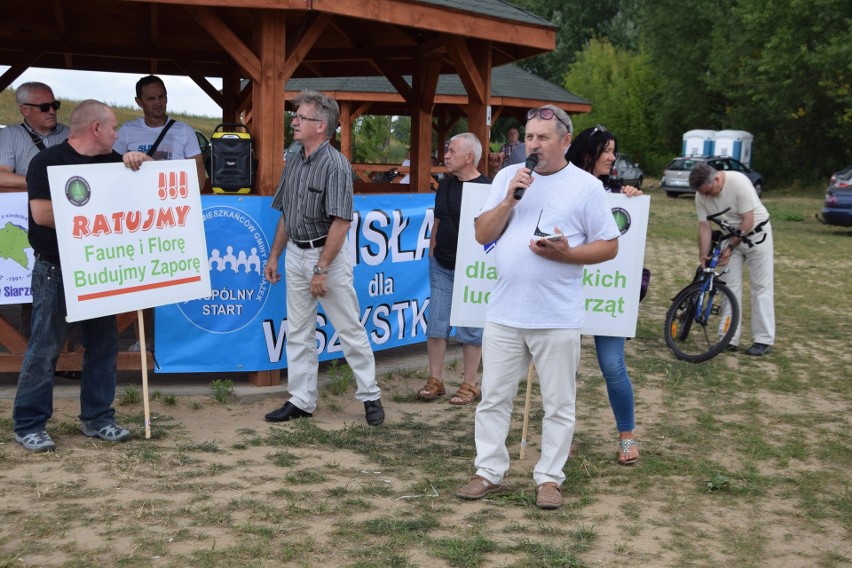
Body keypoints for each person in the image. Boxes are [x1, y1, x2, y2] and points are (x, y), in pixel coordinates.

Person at [455, 105, 620, 509]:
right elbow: (482, 233)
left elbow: (610, 245)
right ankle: (488, 471)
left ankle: (549, 478)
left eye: (542, 138)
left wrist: (568, 254)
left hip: (556, 316)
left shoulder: (585, 187)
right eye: (529, 137)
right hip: (505, 313)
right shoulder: (509, 179)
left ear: (565, 141)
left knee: (559, 403)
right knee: (493, 398)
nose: (533, 144)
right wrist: (510, 201)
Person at [12, 100, 152, 452]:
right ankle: (29, 423)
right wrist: (98, 221)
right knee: (45, 349)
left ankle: (98, 418)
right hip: (56, 269)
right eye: (113, 128)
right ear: (95, 129)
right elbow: (42, 215)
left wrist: (143, 163)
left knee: (103, 347)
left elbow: (151, 190)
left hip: (100, 269)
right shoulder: (47, 162)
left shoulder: (112, 162)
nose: (117, 135)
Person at [262, 90, 384, 426]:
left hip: (324, 256)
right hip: (297, 253)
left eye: (301, 117)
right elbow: (287, 212)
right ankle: (301, 400)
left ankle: (370, 396)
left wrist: (321, 268)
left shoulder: (336, 165)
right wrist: (275, 255)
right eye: (295, 115)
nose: (294, 121)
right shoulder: (294, 158)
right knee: (298, 332)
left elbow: (342, 222)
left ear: (321, 125)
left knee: (348, 328)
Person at [565, 125, 642, 465]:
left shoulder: (616, 193)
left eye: (613, 150)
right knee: (562, 370)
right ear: (587, 153)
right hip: (565, 294)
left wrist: (633, 201)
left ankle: (627, 435)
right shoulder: (562, 186)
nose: (613, 157)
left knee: (613, 366)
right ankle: (560, 437)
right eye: (607, 150)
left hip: (606, 296)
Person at [416, 133, 490, 405]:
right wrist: (432, 251)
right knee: (436, 323)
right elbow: (438, 220)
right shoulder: (445, 184)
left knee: (471, 328)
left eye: (452, 151)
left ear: (469, 157)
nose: (445, 155)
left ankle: (469, 384)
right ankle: (436, 380)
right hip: (442, 265)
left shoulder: (487, 188)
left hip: (473, 270)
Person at [0, 82, 71, 343]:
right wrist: (42, 183)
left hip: (68, 224)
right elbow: (1, 177)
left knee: (73, 290)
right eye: (44, 106)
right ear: (24, 110)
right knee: (33, 293)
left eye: (55, 105)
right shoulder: (10, 136)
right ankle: (31, 351)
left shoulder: (70, 134)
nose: (52, 110)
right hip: (28, 225)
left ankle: (69, 356)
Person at [689, 163, 774, 356]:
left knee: (761, 287)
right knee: (729, 287)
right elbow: (704, 226)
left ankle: (763, 339)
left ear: (717, 179)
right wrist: (703, 254)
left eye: (709, 191)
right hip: (731, 238)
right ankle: (729, 337)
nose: (707, 196)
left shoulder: (738, 182)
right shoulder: (701, 194)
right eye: (703, 193)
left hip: (757, 235)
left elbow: (748, 221)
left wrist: (730, 248)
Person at [113, 75, 205, 191]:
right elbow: (111, 168)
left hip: (173, 201)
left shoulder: (185, 131)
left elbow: (199, 175)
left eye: (161, 97)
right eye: (151, 99)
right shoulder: (127, 130)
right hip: (137, 200)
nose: (158, 102)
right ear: (139, 102)